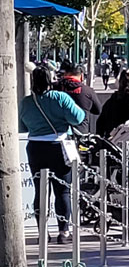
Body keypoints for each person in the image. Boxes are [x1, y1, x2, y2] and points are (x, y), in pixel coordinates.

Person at [19, 67, 86, 245]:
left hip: (35, 147)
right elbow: (78, 117)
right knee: (62, 190)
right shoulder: (60, 97)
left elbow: (21, 126)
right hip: (58, 145)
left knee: (40, 190)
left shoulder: (26, 102)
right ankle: (63, 231)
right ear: (51, 80)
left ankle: (42, 231)